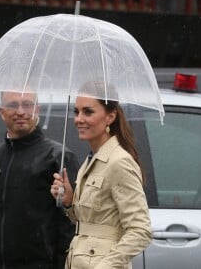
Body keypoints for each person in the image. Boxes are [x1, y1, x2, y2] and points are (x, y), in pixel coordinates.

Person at [0, 90, 80, 269]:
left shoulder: (58, 158)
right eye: (12, 105)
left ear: (38, 109)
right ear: (1, 112)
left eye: (27, 104)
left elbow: (70, 227)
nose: (20, 111)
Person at [51, 82, 152, 269]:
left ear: (110, 116)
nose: (78, 119)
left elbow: (141, 231)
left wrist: (105, 266)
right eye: (76, 111)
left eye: (88, 112)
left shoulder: (119, 161)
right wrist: (69, 201)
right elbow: (91, 224)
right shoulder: (91, 160)